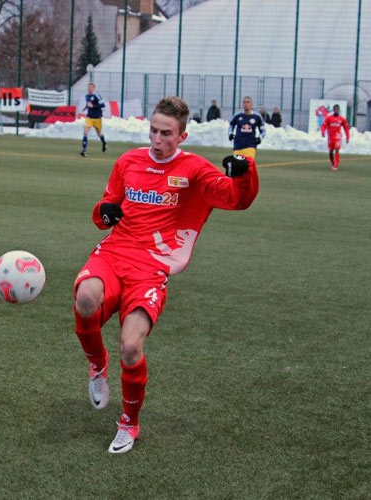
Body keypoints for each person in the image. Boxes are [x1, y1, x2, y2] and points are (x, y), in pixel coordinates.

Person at [73, 96, 259, 454]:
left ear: (182, 136)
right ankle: (97, 365)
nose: (157, 140)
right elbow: (105, 209)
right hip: (114, 254)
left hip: (151, 267)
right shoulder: (128, 161)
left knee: (130, 346)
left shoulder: (195, 170)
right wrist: (105, 212)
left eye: (166, 134)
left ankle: (129, 423)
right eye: (154, 131)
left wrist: (244, 174)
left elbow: (237, 199)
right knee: (85, 298)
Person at [80, 82, 107, 157]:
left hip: (97, 118)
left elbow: (102, 105)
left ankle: (104, 143)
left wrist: (93, 106)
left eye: (91, 87)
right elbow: (88, 103)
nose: (89, 88)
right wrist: (85, 107)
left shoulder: (97, 95)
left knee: (99, 134)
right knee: (85, 132)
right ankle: (84, 151)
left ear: (94, 88)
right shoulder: (87, 96)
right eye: (88, 87)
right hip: (89, 118)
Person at [320, 104, 350, 171]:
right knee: (330, 152)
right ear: (333, 110)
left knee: (337, 149)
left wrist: (348, 137)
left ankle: (336, 165)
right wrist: (323, 132)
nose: (336, 110)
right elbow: (323, 126)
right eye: (335, 109)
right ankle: (333, 163)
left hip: (338, 137)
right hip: (331, 138)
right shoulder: (329, 118)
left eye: (338, 109)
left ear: (339, 110)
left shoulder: (342, 119)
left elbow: (346, 128)